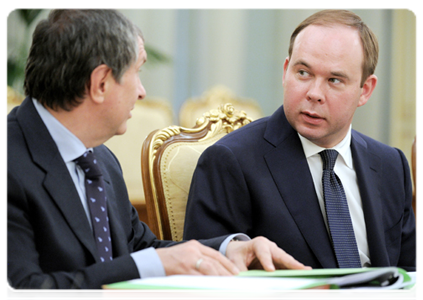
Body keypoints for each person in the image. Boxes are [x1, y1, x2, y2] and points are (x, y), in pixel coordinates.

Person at [5, 8, 311, 298]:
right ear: (100, 83)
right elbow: (24, 290)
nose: (142, 91)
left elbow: (139, 246)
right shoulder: (8, 163)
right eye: (137, 72)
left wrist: (225, 249)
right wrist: (155, 264)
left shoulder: (99, 159)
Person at [184, 9, 419, 271]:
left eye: (334, 80)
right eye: (304, 73)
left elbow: (408, 274)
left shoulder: (390, 164)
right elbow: (207, 279)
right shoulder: (231, 161)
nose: (314, 93)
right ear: (286, 72)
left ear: (365, 90)